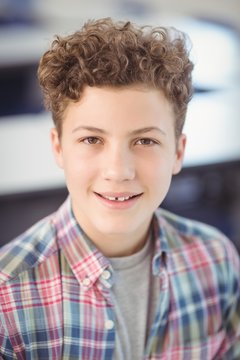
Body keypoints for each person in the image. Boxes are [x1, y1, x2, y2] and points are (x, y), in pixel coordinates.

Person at [0, 17, 239, 360]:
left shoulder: (217, 261)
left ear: (178, 152)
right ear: (58, 148)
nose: (118, 170)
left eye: (145, 140)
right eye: (92, 139)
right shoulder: (8, 299)